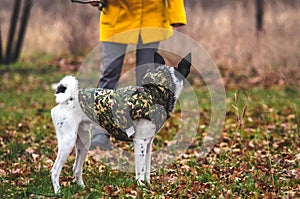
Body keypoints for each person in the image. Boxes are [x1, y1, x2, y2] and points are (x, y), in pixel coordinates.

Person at [89, 0, 187, 149]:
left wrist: (176, 15)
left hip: (151, 16)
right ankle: (100, 133)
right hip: (117, 14)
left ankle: (142, 133)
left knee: (146, 78)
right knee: (110, 73)